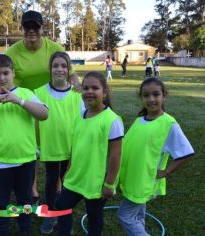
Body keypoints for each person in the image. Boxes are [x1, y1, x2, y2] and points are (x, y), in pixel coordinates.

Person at [0, 54, 48, 236]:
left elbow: (44, 114)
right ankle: (1, 230)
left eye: (6, 73)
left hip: (25, 159)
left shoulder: (26, 94)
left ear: (13, 73)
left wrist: (18, 101)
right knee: (0, 202)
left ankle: (25, 229)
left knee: (25, 200)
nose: (2, 78)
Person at [6, 10, 80, 203]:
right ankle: (33, 191)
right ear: (21, 28)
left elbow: (70, 73)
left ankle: (55, 191)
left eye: (35, 27)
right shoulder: (12, 52)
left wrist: (80, 90)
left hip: (51, 101)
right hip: (24, 105)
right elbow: (3, 75)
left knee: (52, 146)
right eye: (27, 27)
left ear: (42, 28)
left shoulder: (53, 48)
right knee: (31, 147)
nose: (31, 31)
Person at [117, 77, 194, 236]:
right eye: (146, 95)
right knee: (137, 214)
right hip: (133, 176)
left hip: (144, 179)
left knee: (125, 215)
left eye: (156, 94)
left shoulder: (168, 124)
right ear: (141, 97)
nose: (151, 99)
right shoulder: (139, 121)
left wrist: (165, 172)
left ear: (164, 95)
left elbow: (186, 153)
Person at [56, 71, 124, 236]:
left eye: (95, 88)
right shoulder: (80, 116)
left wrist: (109, 183)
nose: (89, 92)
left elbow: (116, 156)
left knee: (94, 216)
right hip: (76, 177)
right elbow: (76, 145)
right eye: (86, 88)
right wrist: (68, 168)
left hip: (96, 181)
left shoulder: (112, 120)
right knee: (62, 206)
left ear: (104, 92)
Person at [34, 52, 83, 234]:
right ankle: (51, 215)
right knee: (51, 180)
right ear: (50, 69)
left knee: (66, 183)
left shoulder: (77, 94)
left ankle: (62, 217)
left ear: (69, 69)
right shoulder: (39, 92)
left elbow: (84, 121)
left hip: (72, 147)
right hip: (50, 146)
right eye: (56, 65)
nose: (60, 69)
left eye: (64, 66)